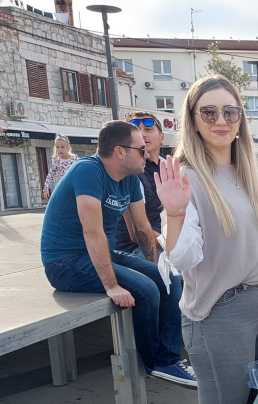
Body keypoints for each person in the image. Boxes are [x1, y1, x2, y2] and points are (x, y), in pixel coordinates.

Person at [153, 75, 258, 404]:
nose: (221, 120)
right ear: (193, 120)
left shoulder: (249, 172)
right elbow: (183, 261)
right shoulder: (188, 179)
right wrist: (176, 212)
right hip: (219, 315)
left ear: (240, 119)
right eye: (209, 111)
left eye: (230, 111)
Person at [40, 121, 195, 387]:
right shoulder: (87, 171)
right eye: (141, 150)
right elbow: (92, 232)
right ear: (120, 151)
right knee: (146, 290)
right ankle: (156, 363)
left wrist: (157, 267)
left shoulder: (130, 178)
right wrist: (111, 285)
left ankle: (169, 359)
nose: (147, 156)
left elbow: (143, 228)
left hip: (101, 254)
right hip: (64, 262)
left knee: (170, 280)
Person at [115, 111, 168, 256]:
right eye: (136, 131)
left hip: (165, 243)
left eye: (149, 129)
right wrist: (175, 247)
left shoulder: (170, 166)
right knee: (176, 277)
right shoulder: (128, 171)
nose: (142, 135)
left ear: (162, 137)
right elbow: (138, 234)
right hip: (134, 249)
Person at [42, 135, 77, 201]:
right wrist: (46, 189)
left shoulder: (75, 159)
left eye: (62, 147)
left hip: (74, 187)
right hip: (64, 187)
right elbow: (50, 175)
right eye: (57, 147)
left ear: (68, 148)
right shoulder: (56, 161)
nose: (60, 149)